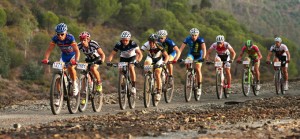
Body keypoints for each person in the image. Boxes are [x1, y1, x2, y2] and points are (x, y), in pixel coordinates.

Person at [41, 23, 80, 97]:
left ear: (65, 33)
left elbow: (77, 50)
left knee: (70, 68)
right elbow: (49, 49)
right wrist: (46, 58)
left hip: (72, 56)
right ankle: (59, 96)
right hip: (64, 56)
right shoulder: (55, 39)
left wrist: (76, 60)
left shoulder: (70, 38)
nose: (60, 36)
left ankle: (74, 84)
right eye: (58, 34)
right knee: (59, 72)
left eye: (62, 34)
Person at [106, 31, 143, 95]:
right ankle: (123, 88)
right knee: (120, 70)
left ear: (129, 39)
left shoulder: (133, 43)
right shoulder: (119, 44)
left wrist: (137, 61)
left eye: (126, 40)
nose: (125, 42)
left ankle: (133, 86)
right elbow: (112, 54)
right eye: (123, 40)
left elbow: (140, 54)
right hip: (123, 58)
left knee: (131, 67)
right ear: (121, 39)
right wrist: (109, 61)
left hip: (132, 57)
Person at [141, 34, 169, 101]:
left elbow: (167, 56)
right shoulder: (146, 44)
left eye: (152, 42)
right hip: (150, 58)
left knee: (157, 73)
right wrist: (137, 59)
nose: (151, 43)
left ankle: (158, 92)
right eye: (150, 42)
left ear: (155, 42)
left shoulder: (159, 45)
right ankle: (148, 79)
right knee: (146, 65)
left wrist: (163, 63)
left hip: (158, 60)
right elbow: (140, 52)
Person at [179, 28, 206, 95]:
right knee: (187, 62)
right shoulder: (187, 39)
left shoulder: (201, 40)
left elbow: (204, 49)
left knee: (197, 68)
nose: (193, 37)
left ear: (198, 35)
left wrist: (203, 58)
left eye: (195, 35)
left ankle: (199, 87)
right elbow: (181, 49)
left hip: (199, 55)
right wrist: (178, 57)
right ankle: (189, 74)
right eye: (192, 35)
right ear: (190, 35)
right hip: (191, 54)